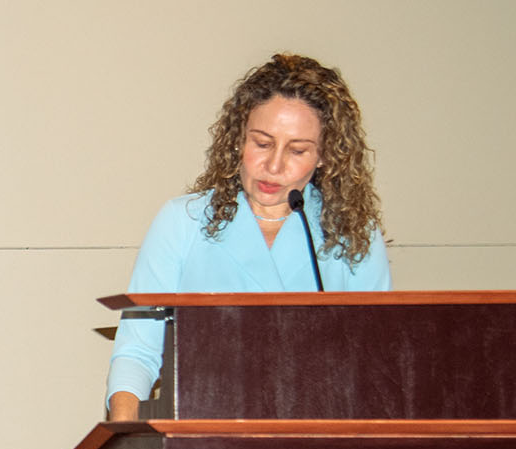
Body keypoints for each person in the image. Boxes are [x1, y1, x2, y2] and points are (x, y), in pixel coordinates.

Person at [105, 54, 391, 421]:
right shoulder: (184, 222)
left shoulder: (354, 236)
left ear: (325, 157)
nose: (274, 166)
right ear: (238, 137)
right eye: (262, 143)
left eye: (298, 150)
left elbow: (377, 367)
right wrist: (122, 442)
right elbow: (138, 352)